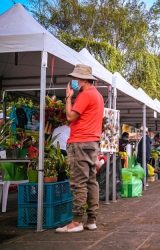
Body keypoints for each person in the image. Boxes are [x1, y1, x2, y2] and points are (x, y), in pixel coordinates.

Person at [56, 64, 104, 233]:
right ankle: (91, 219)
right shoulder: (97, 95)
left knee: (78, 183)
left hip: (80, 142)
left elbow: (70, 116)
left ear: (83, 79)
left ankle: (76, 221)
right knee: (91, 181)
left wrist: (68, 97)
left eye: (76, 78)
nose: (74, 81)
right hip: (92, 143)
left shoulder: (85, 95)